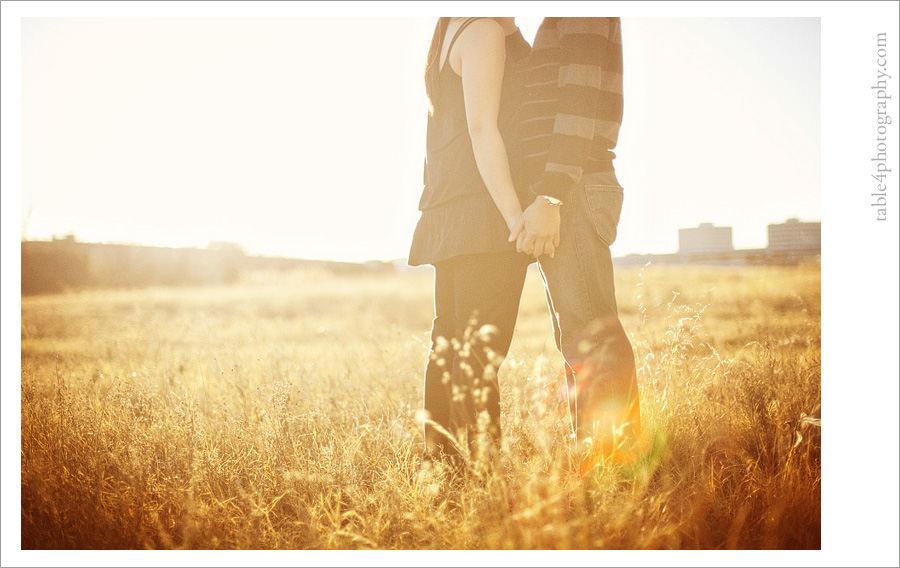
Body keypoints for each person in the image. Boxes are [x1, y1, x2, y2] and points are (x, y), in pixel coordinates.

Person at [510, 17, 644, 475]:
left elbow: (579, 101)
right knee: (579, 334)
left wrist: (551, 194)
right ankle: (601, 455)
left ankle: (614, 466)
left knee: (591, 334)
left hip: (573, 187)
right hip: (570, 188)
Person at [408, 17, 532, 471]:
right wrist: (514, 215)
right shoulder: (482, 32)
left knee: (450, 343)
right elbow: (482, 127)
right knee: (477, 355)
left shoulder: (452, 30)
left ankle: (440, 466)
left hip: (451, 208)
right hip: (484, 212)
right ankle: (483, 474)